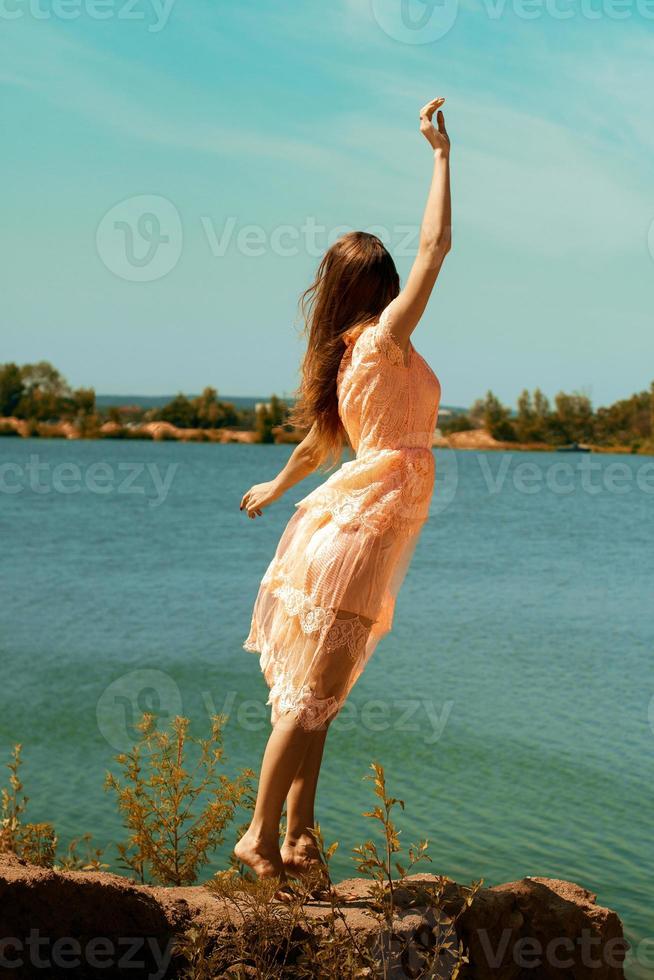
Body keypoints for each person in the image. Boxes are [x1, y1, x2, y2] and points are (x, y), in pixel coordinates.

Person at [236, 97, 451, 897]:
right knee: (308, 695)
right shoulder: (385, 341)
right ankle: (257, 838)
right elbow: (439, 245)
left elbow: (315, 444)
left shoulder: (351, 356)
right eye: (394, 283)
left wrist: (275, 484)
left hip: (352, 522)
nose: (406, 288)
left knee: (321, 693)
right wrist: (440, 156)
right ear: (380, 289)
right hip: (359, 527)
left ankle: (298, 840)